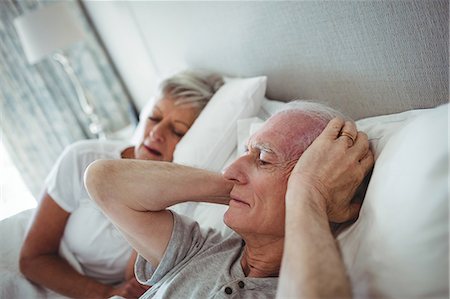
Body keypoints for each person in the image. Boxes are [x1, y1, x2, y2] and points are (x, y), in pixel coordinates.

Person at [85, 101, 374, 298]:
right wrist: (242, 189)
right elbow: (103, 181)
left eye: (262, 158)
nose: (229, 171)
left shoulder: (303, 285)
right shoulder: (198, 252)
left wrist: (310, 192)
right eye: (246, 152)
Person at [19, 70, 224, 299]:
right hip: (47, 278)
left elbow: (134, 282)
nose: (156, 133)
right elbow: (32, 258)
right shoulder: (83, 158)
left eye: (177, 131)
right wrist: (105, 293)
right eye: (154, 118)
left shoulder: (182, 203)